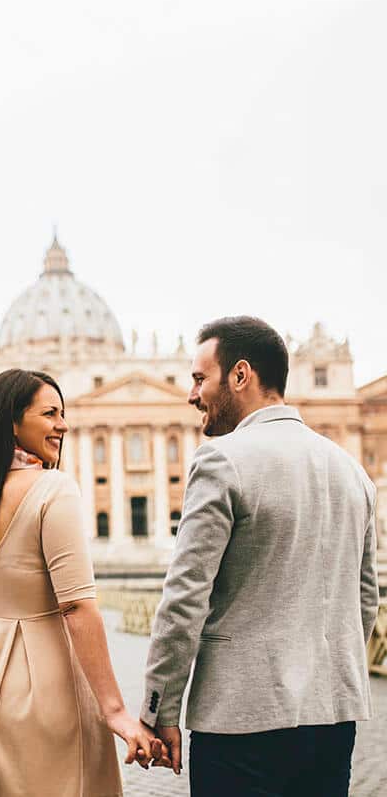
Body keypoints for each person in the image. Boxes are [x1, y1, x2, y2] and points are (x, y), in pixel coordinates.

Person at [141, 316, 379, 796]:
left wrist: (160, 709)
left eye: (199, 378)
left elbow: (185, 598)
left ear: (240, 375)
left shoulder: (221, 460)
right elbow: (365, 598)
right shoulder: (351, 471)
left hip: (240, 722)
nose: (191, 395)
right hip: (332, 718)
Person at [0, 368, 166, 796]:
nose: (63, 424)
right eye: (50, 413)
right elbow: (77, 606)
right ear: (12, 420)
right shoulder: (53, 488)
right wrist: (115, 711)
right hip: (43, 682)